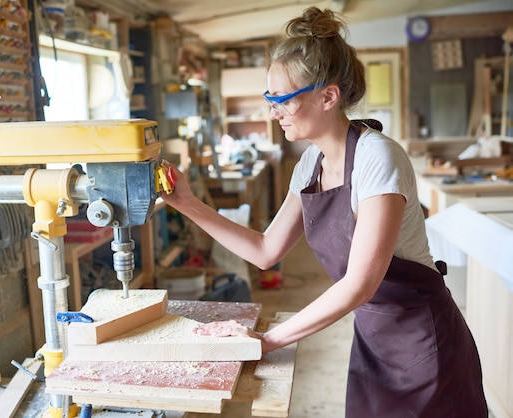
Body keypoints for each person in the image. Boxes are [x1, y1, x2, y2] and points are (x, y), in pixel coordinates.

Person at [160, 6, 488, 418]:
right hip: (373, 341)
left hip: (423, 344)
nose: (273, 111)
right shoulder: (309, 165)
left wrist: (269, 340)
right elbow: (265, 251)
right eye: (270, 97)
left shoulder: (377, 159)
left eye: (282, 99)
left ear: (328, 96)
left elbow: (360, 286)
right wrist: (187, 203)